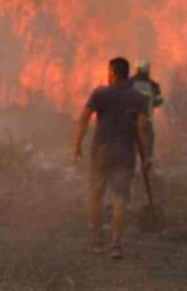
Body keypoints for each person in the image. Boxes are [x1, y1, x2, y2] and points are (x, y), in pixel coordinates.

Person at [73, 57, 150, 260]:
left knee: (95, 196)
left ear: (112, 73)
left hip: (101, 152)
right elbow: (142, 129)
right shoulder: (138, 97)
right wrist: (146, 157)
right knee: (120, 199)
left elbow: (83, 118)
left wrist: (77, 145)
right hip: (125, 154)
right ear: (127, 73)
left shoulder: (100, 94)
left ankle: (98, 239)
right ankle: (115, 244)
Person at [130, 59, 163, 157]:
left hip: (130, 120)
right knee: (147, 145)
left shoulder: (129, 83)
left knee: (131, 145)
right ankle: (147, 166)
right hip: (147, 120)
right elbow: (159, 101)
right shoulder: (153, 85)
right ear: (148, 70)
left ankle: (130, 167)